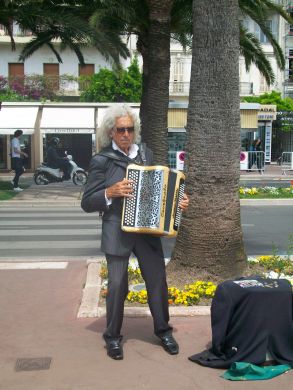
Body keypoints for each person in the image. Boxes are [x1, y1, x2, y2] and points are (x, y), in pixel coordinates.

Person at [81, 104, 189, 360]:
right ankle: (113, 338)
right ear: (111, 132)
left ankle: (163, 331)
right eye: (121, 130)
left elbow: (160, 187)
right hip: (116, 228)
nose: (126, 134)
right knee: (117, 285)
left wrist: (179, 200)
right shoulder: (102, 161)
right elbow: (87, 201)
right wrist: (109, 192)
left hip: (147, 229)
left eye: (130, 129)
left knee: (157, 282)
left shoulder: (146, 155)